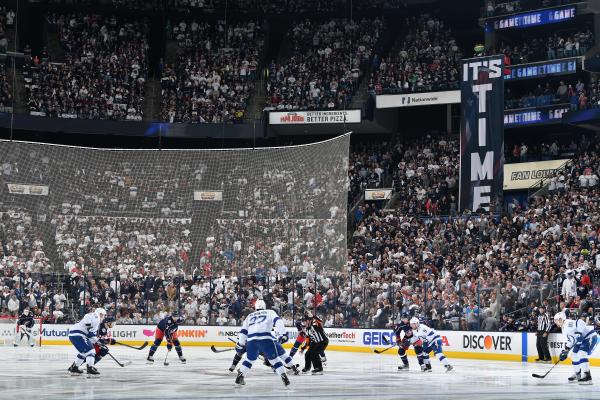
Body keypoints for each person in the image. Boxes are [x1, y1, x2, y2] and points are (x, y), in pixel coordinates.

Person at [234, 300, 290, 387]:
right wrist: (284, 334)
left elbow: (243, 331)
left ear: (255, 307)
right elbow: (278, 321)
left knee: (249, 360)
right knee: (274, 360)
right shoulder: (270, 312)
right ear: (264, 306)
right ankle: (284, 377)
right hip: (266, 339)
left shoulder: (249, 315)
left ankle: (240, 377)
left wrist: (241, 344)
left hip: (251, 341)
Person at [555, 312, 598, 384]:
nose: (555, 322)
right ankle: (577, 374)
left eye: (556, 320)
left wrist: (580, 333)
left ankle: (587, 375)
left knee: (582, 353)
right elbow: (571, 339)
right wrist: (566, 350)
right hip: (581, 340)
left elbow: (580, 321)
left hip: (589, 336)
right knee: (574, 355)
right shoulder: (563, 328)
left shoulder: (567, 323)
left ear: (560, 319)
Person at [67, 307, 106, 376]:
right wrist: (98, 341)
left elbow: (90, 334)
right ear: (100, 313)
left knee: (84, 353)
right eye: (103, 315)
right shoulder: (96, 318)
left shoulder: (93, 316)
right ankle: (90, 368)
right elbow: (90, 332)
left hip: (75, 334)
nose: (103, 317)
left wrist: (98, 341)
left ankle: (74, 368)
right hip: (78, 334)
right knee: (91, 351)